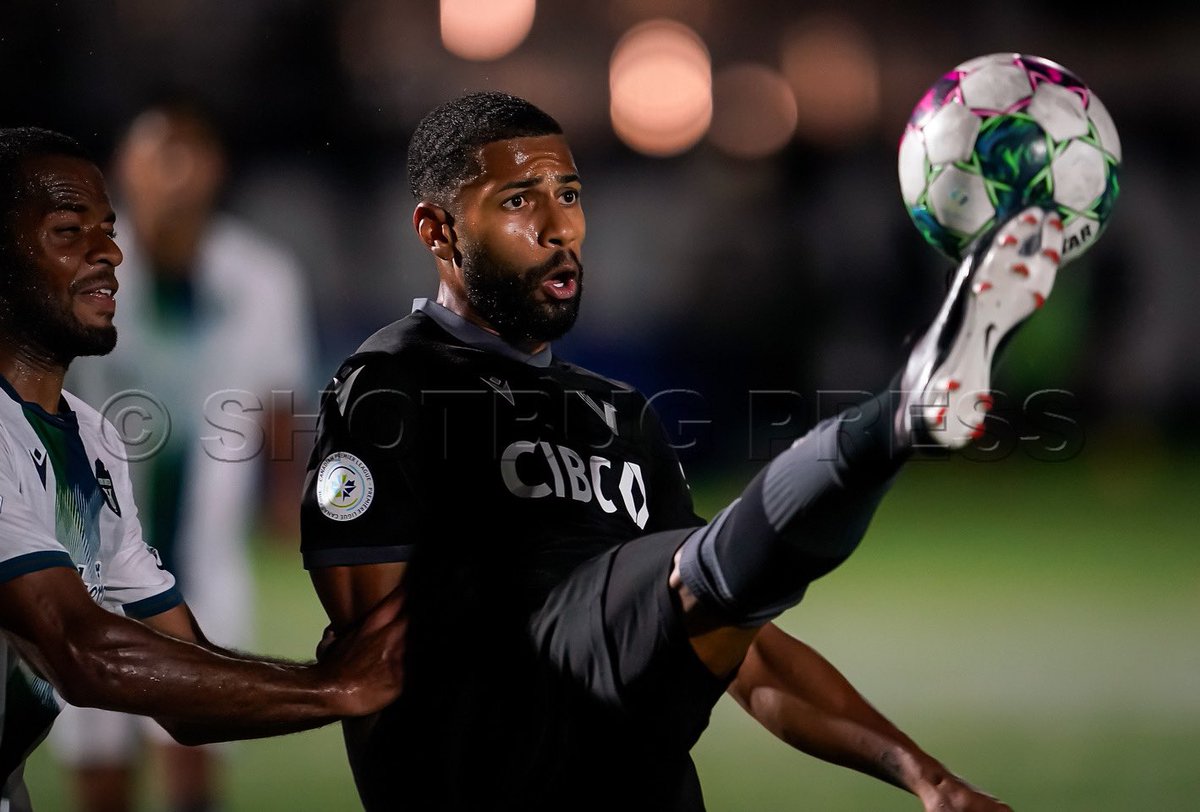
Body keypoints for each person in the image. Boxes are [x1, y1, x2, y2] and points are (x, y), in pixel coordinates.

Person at [301, 92, 1062, 811]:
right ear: (438, 232)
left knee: (709, 581)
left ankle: (904, 417)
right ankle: (901, 416)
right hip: (495, 752)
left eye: (569, 194)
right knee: (667, 570)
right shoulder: (393, 384)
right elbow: (373, 662)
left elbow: (739, 640)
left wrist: (925, 776)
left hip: (631, 773)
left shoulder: (616, 413)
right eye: (518, 201)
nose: (559, 228)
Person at [0, 126, 407, 812]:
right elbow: (83, 653)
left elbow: (184, 697)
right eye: (69, 232)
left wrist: (356, 664)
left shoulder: (93, 443)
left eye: (108, 230)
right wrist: (338, 686)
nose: (110, 252)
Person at [51, 99, 315, 812]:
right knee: (100, 768)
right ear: (124, 173)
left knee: (193, 753)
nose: (174, 177)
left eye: (187, 156)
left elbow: (282, 395)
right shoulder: (74, 273)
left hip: (206, 555)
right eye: (156, 158)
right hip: (85, 556)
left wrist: (286, 495)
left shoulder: (261, 276)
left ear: (214, 170)